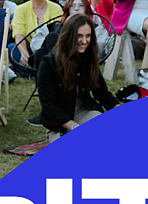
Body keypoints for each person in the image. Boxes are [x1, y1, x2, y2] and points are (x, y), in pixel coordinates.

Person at [37, 13, 117, 142]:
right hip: (60, 121)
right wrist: (74, 127)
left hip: (85, 111)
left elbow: (102, 93)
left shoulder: (89, 59)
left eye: (88, 36)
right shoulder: (49, 63)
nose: (84, 41)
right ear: (69, 36)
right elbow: (49, 106)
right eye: (79, 36)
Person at [11, 0, 64, 67]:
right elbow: (19, 34)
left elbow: (57, 34)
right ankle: (28, 69)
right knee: (12, 48)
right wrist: (25, 54)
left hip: (49, 49)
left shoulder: (56, 8)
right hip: (28, 48)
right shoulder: (20, 9)